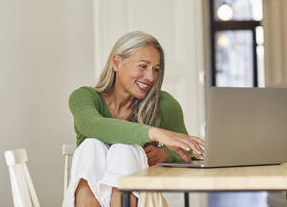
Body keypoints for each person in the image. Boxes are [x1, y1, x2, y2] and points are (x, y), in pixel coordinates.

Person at [63, 31, 205, 207]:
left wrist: (164, 154)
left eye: (156, 70)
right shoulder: (84, 97)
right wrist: (154, 133)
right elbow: (92, 125)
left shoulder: (164, 104)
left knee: (125, 149)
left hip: (144, 201)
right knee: (91, 146)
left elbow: (187, 151)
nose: (151, 77)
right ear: (117, 63)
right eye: (143, 66)